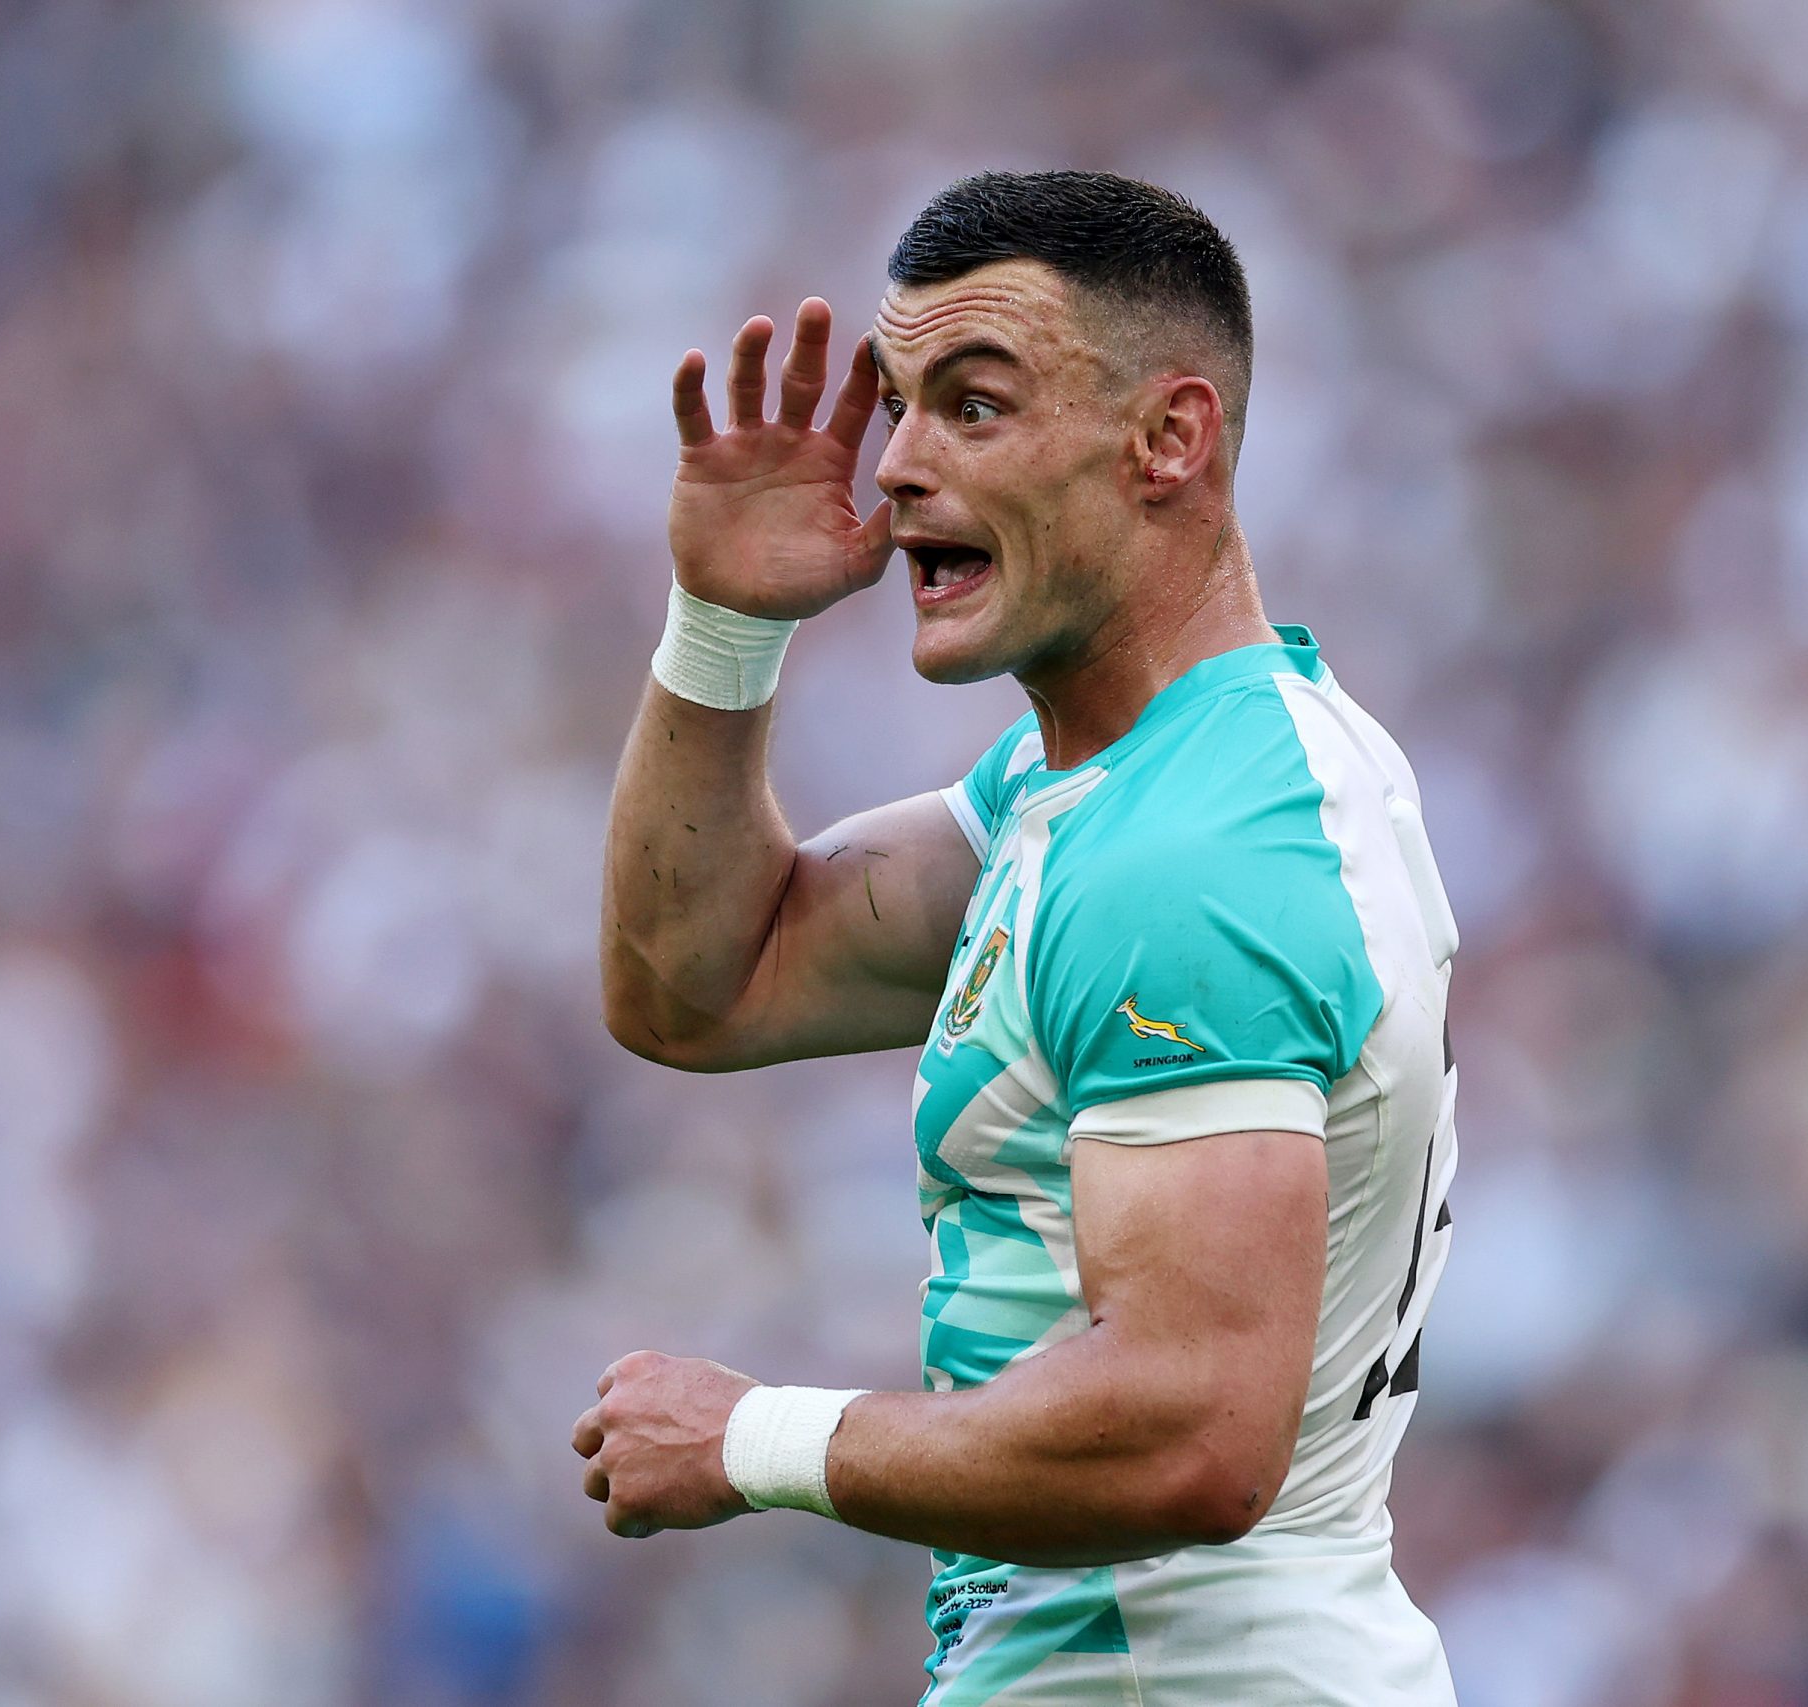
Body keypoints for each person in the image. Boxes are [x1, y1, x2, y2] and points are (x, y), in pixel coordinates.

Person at [574, 170, 1462, 1705]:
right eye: (900, 405)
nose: (899, 467)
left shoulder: (1188, 856)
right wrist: (724, 628)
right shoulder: (1118, 791)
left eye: (973, 408)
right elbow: (694, 985)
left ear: (1169, 441)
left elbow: (1193, 1432)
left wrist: (750, 1440)